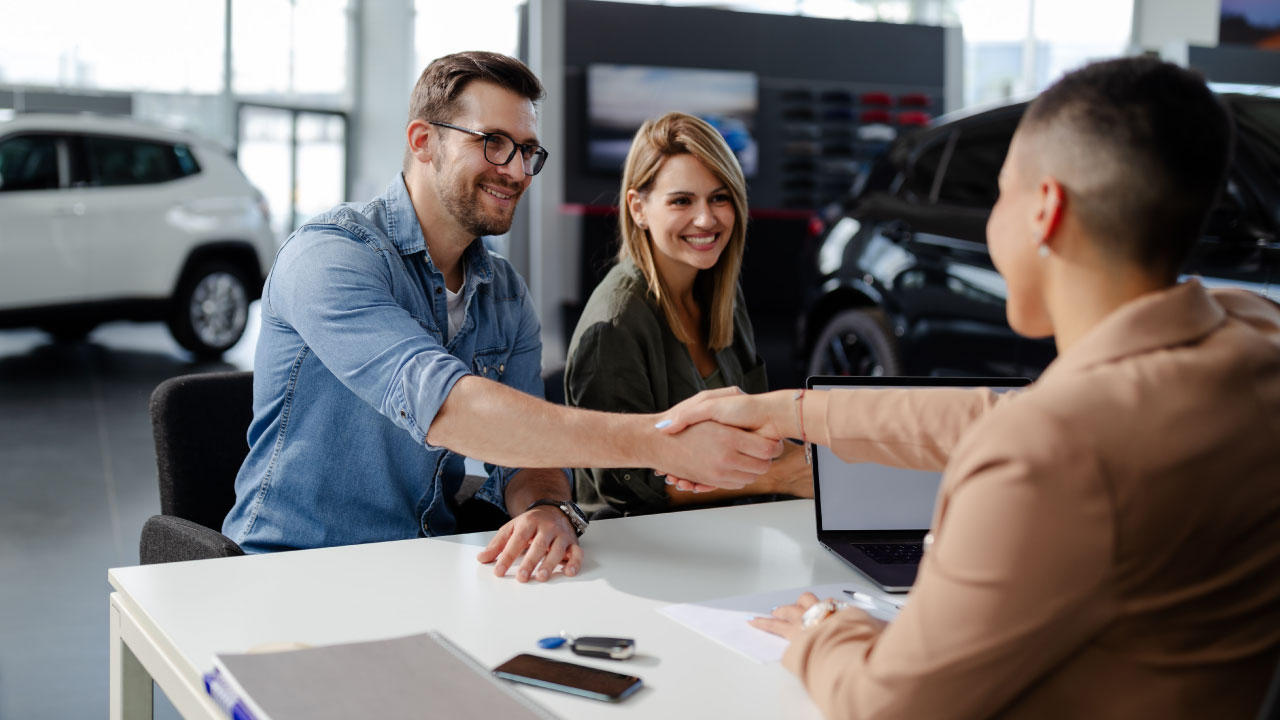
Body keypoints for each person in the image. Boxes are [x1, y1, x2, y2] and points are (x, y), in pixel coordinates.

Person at [660, 57, 1280, 717]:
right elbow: (998, 415)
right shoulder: (1253, 335)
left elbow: (889, 704)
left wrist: (824, 630)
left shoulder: (1051, 454)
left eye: (999, 193)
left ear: (1045, 209)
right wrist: (789, 410)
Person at [223, 52, 780, 582]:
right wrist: (661, 442)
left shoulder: (505, 293)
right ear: (423, 141)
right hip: (293, 569)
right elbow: (449, 409)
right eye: (493, 143)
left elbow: (528, 459)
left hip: (422, 565)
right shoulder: (331, 256)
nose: (515, 170)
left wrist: (544, 507)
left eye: (527, 151)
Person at [564, 112, 811, 515]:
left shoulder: (720, 294)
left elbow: (756, 427)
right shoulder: (614, 325)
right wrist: (783, 476)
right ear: (638, 208)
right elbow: (628, 489)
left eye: (720, 197)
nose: (706, 219)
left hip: (734, 530)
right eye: (682, 200)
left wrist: (827, 463)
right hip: (646, 551)